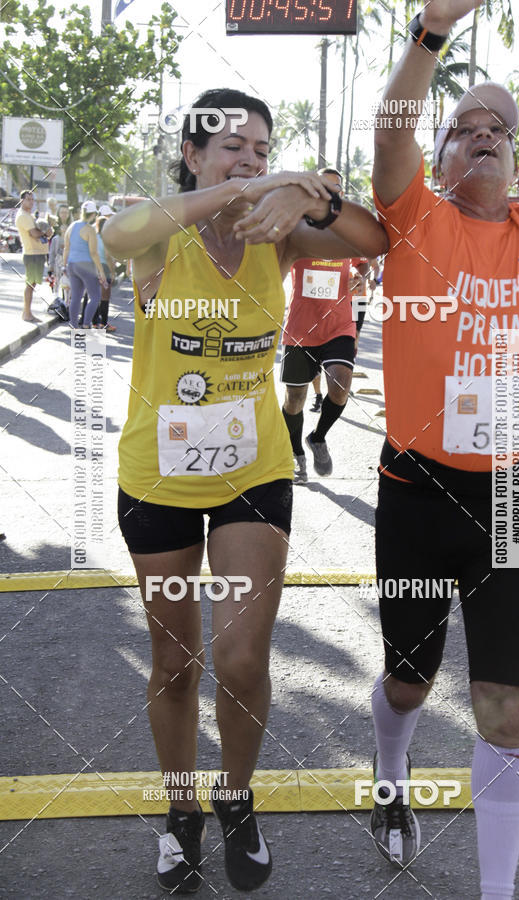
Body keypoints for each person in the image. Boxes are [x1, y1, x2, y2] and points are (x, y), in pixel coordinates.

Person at [102, 87, 387, 894]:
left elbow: (378, 239)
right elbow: (115, 233)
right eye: (233, 147)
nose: (252, 162)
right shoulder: (162, 233)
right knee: (173, 660)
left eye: (263, 150)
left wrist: (312, 191)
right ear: (193, 155)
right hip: (156, 474)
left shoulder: (278, 234)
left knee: (241, 654)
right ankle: (180, 810)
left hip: (253, 474)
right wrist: (230, 192)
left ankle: (235, 796)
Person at [369, 3, 519, 898]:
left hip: (507, 496)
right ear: (445, 156)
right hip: (416, 493)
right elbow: (394, 134)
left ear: (517, 155)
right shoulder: (414, 216)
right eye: (464, 129)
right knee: (408, 686)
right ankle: (391, 784)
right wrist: (430, 32)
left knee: (507, 710)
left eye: (498, 128)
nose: (484, 137)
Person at [280, 168, 369, 482]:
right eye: (325, 187)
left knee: (341, 385)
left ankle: (317, 437)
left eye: (338, 189)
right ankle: (295, 452)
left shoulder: (348, 230)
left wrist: (361, 275)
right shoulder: (295, 226)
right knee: (294, 400)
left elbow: (363, 260)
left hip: (338, 324)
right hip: (300, 327)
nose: (332, 193)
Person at [63, 200, 107, 328]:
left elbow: (66, 248)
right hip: (86, 265)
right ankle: (86, 324)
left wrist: (64, 265)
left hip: (72, 265)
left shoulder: (72, 226)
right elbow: (94, 253)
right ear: (93, 215)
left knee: (76, 296)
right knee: (95, 296)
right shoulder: (89, 230)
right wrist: (101, 271)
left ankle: (74, 325)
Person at [15, 189, 52, 322]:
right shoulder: (23, 216)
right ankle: (26, 313)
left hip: (38, 254)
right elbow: (35, 233)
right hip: (32, 254)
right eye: (28, 199)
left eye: (32, 199)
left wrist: (45, 231)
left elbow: (44, 232)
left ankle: (27, 312)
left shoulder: (29, 215)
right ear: (22, 200)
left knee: (33, 284)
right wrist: (44, 232)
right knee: (30, 284)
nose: (31, 202)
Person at [92, 214, 117, 331]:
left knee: (95, 296)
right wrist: (112, 272)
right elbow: (107, 256)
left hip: (93, 267)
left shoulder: (94, 237)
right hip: (104, 267)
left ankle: (94, 322)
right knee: (105, 297)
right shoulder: (105, 238)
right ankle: (103, 323)